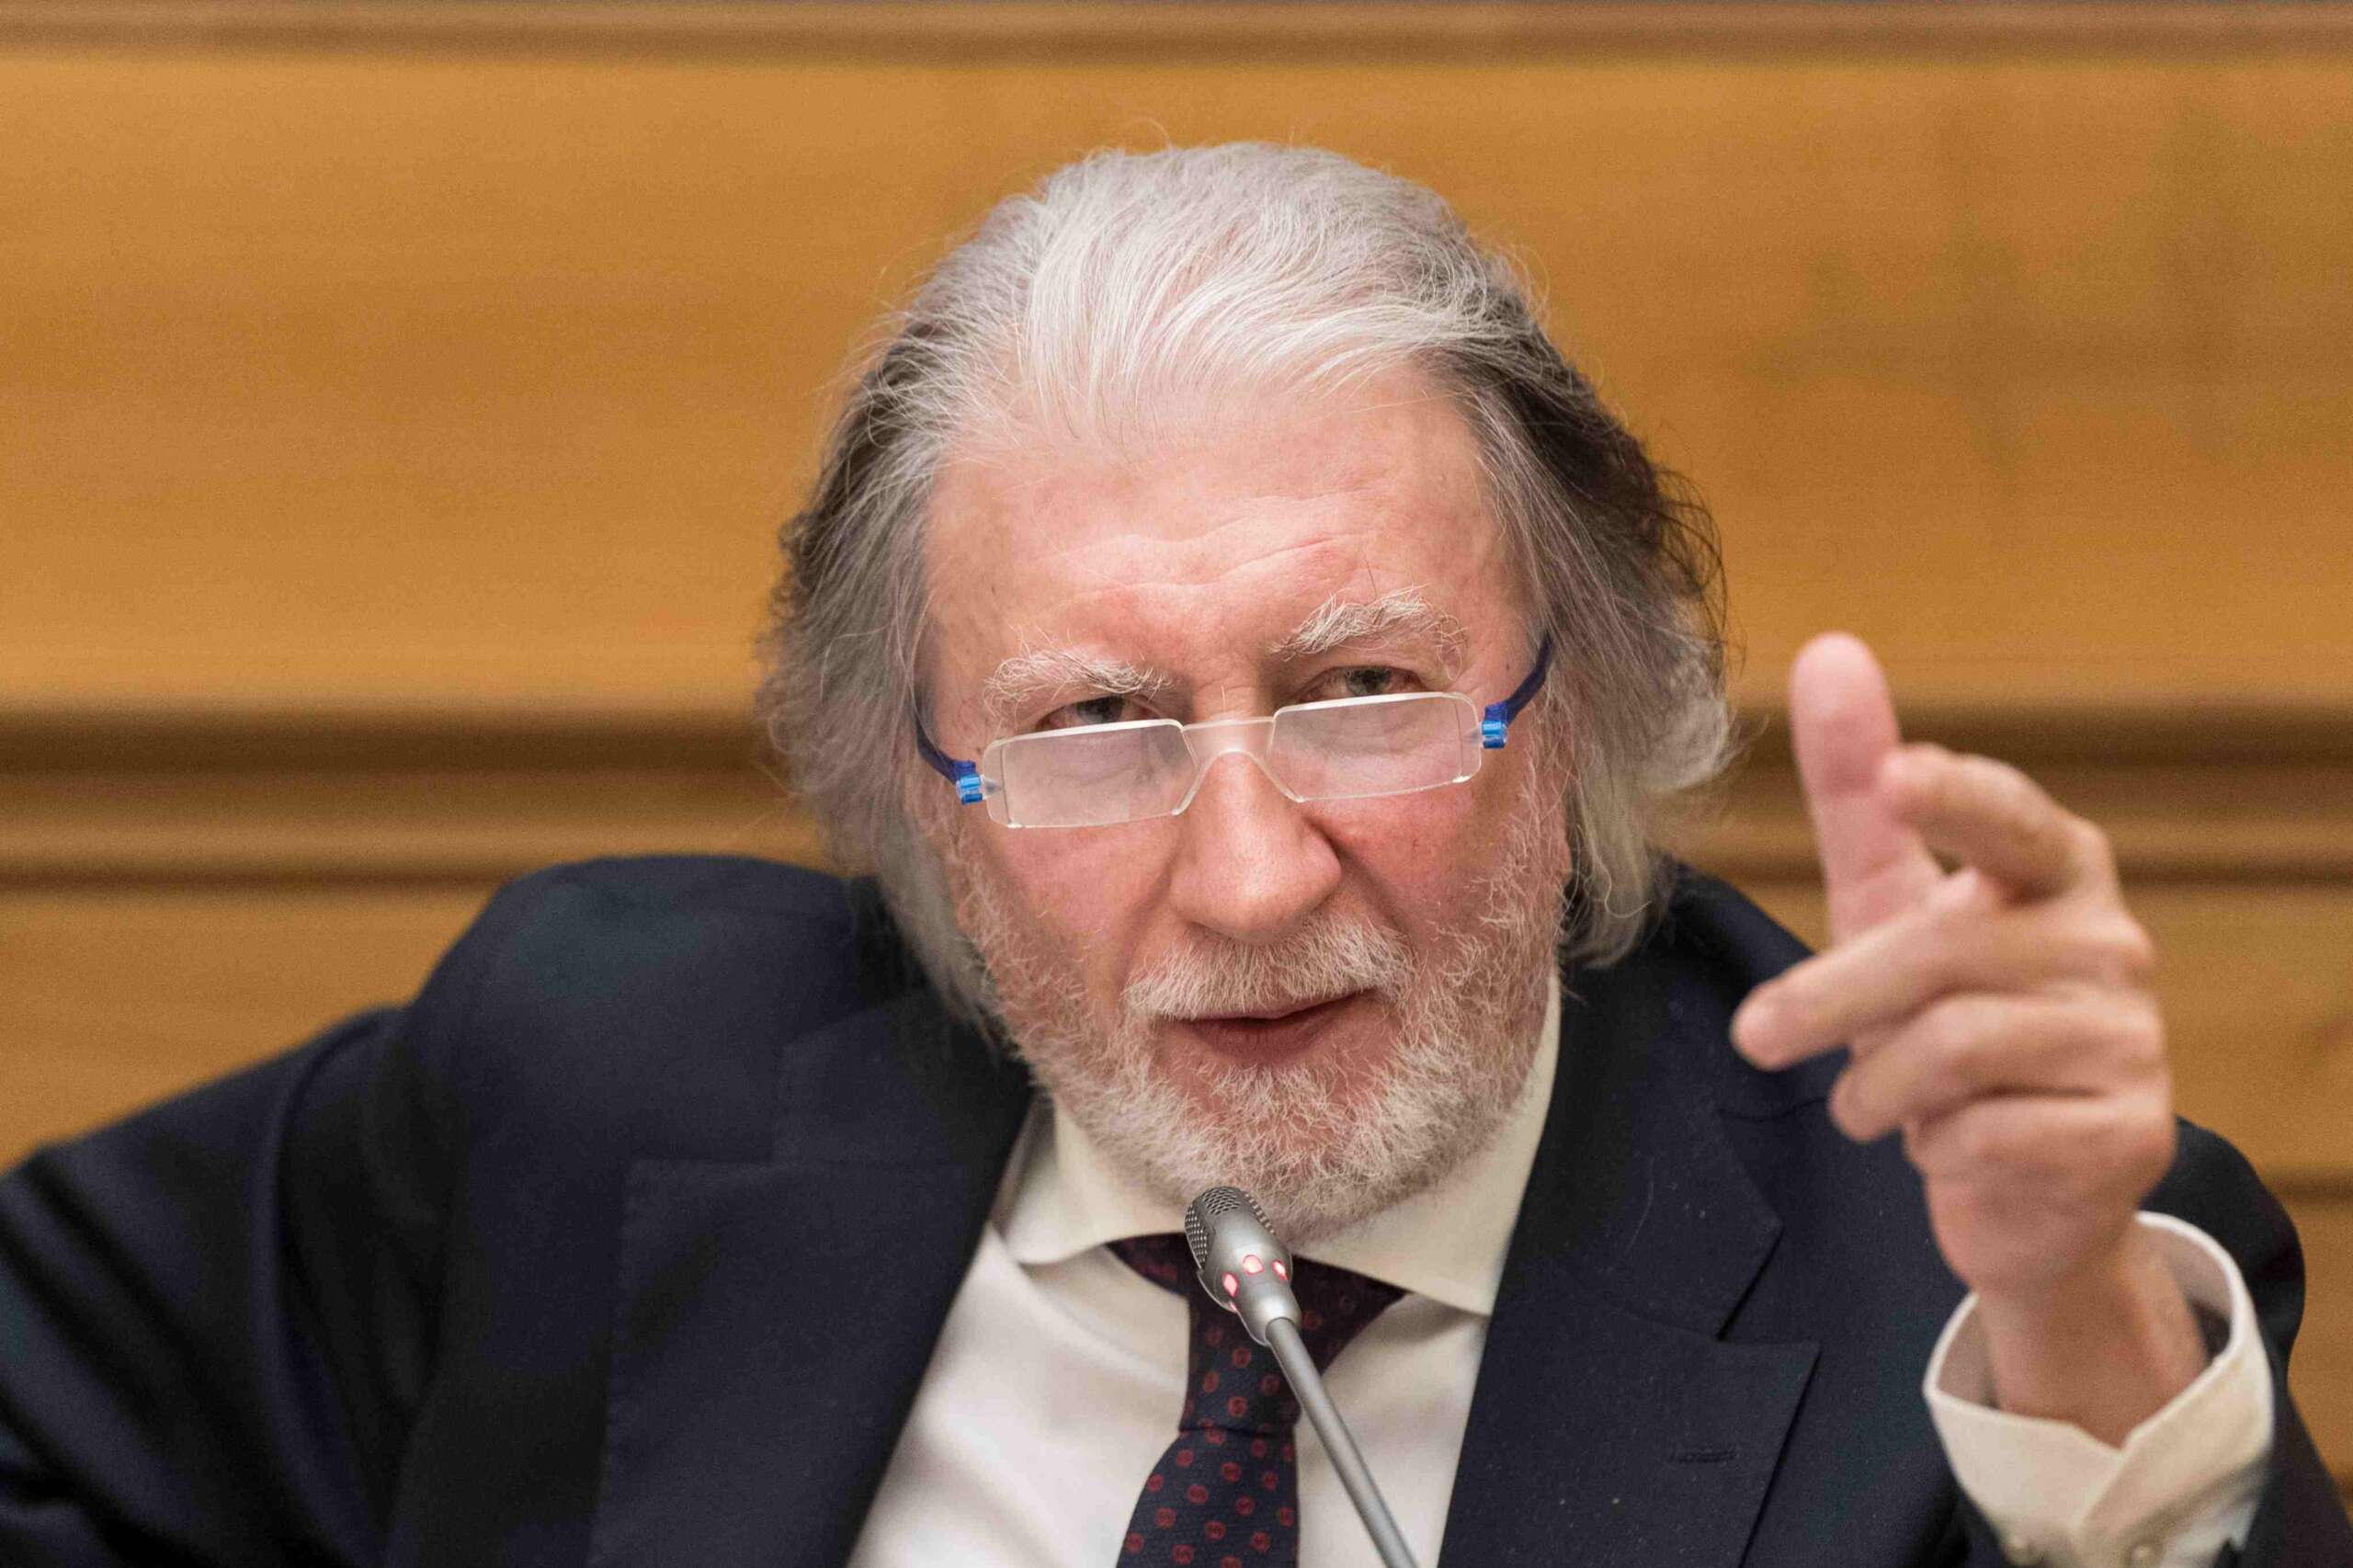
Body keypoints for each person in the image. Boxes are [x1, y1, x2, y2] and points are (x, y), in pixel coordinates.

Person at [1, 144, 2345, 1568]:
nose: (1246, 879)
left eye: (1361, 689)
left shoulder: (1973, 1277)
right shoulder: (591, 1075)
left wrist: (2072, 1344)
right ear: (922, 788)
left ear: (1580, 711)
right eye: (1093, 726)